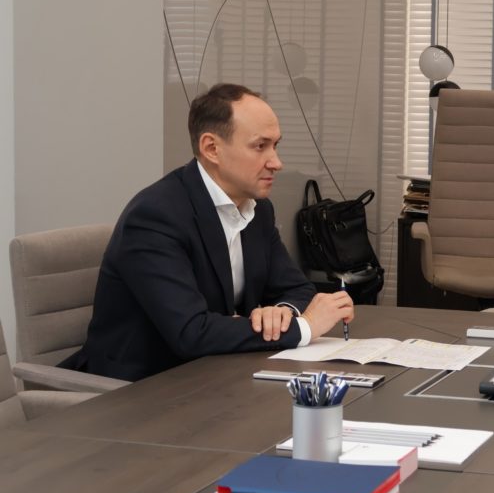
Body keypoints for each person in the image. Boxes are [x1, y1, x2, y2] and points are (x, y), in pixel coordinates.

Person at [64, 84, 354, 381]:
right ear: (211, 148)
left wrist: (281, 313)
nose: (276, 162)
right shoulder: (155, 216)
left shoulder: (257, 209)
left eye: (275, 145)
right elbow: (191, 332)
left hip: (217, 373)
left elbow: (296, 289)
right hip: (140, 387)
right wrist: (303, 327)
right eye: (260, 146)